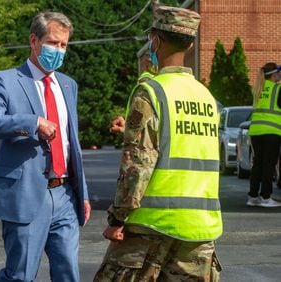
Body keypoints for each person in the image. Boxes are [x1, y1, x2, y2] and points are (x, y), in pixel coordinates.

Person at [94, 6, 222, 281]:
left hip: (151, 226)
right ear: (189, 44)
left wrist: (118, 218)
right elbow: (183, 146)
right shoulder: (206, 96)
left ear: (156, 41)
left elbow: (139, 164)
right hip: (199, 231)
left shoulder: (152, 90)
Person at [0, 11, 90, 282]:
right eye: (52, 43)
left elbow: (71, 143)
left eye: (63, 45)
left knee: (68, 273)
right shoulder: (6, 80)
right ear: (33, 41)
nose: (58, 50)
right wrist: (32, 121)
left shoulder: (67, 85)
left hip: (64, 194)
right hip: (26, 193)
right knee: (20, 275)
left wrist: (82, 192)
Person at [246, 63, 281, 207]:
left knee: (258, 164)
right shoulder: (278, 89)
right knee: (268, 165)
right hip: (271, 132)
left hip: (256, 131)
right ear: (273, 75)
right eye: (278, 72)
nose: (280, 75)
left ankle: (253, 197)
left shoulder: (258, 89)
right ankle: (266, 197)